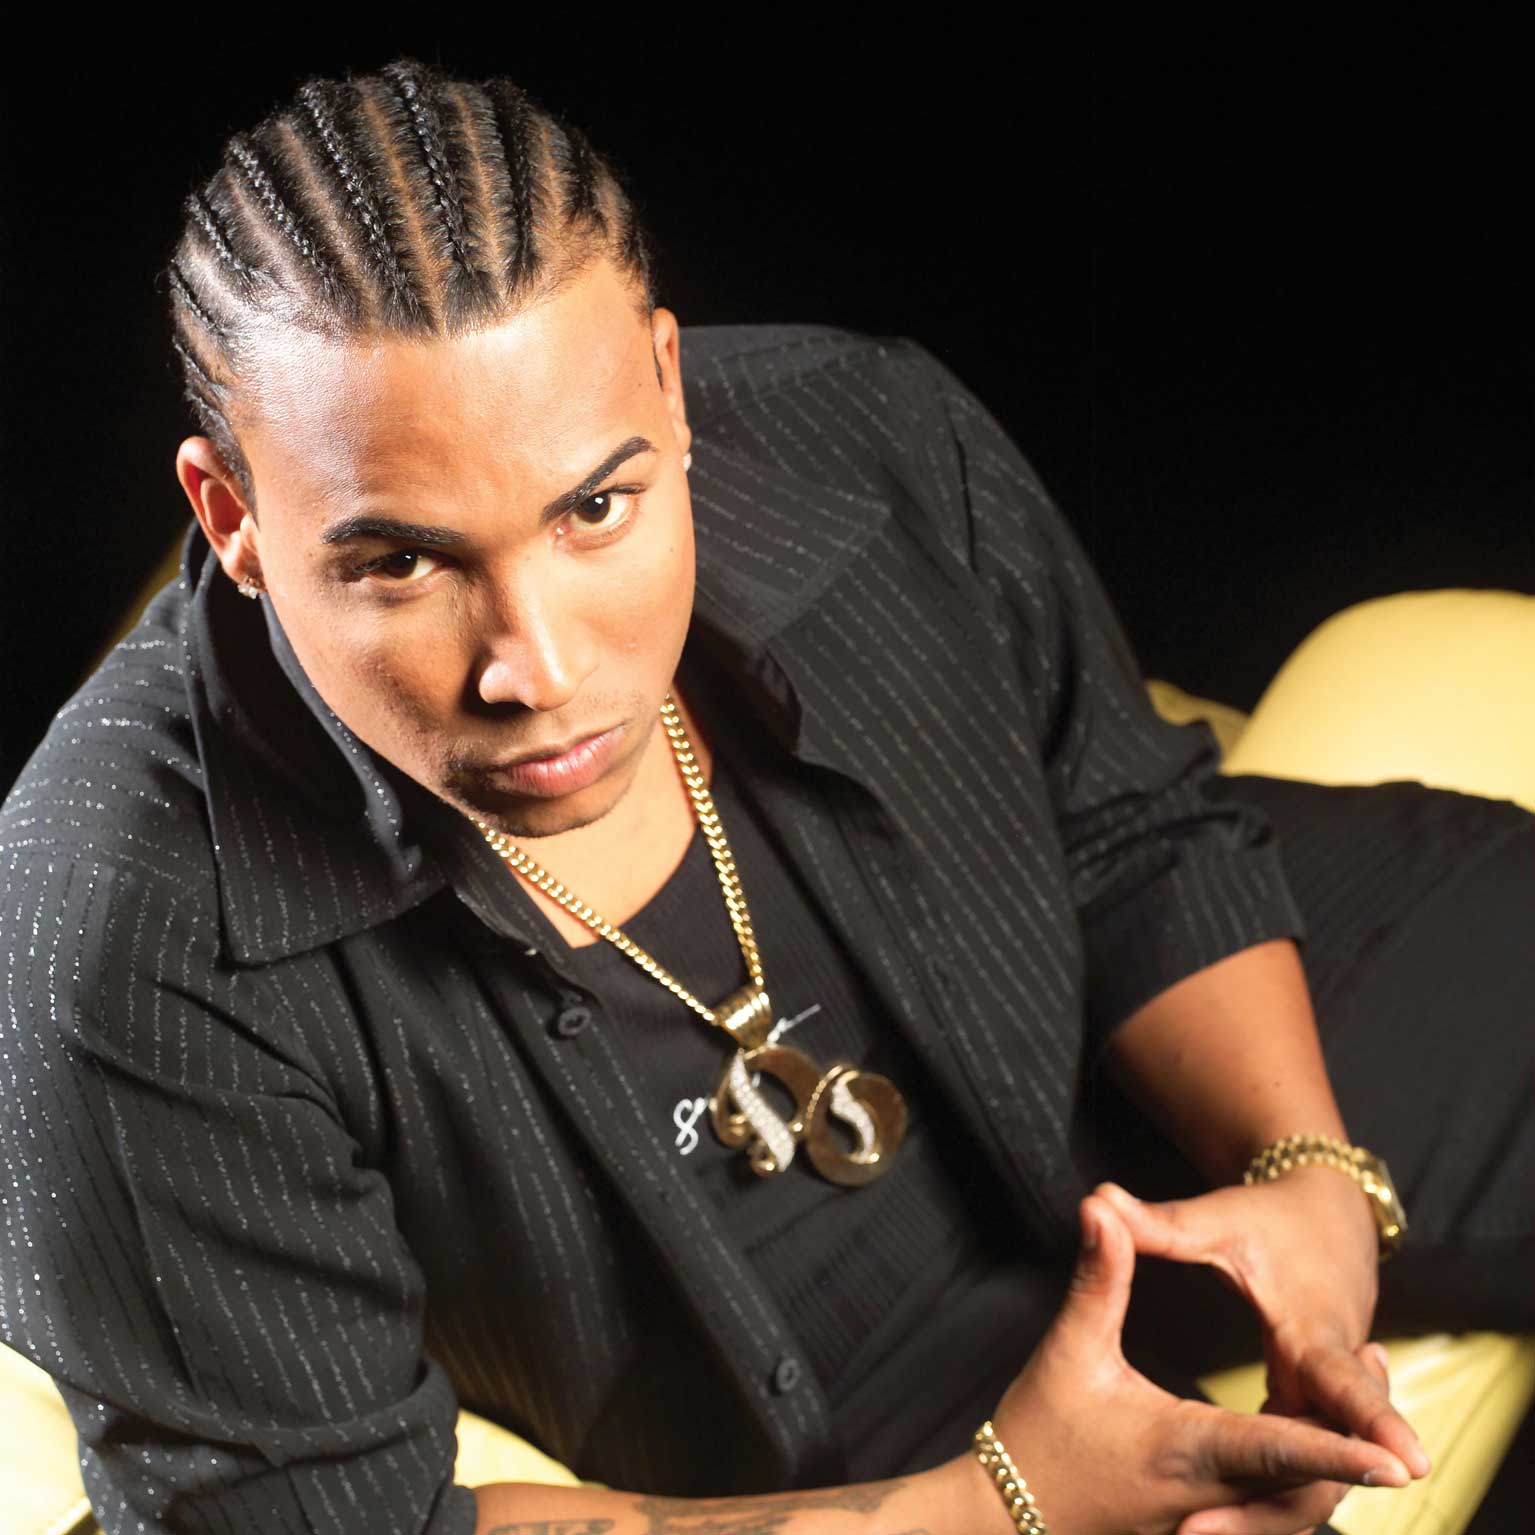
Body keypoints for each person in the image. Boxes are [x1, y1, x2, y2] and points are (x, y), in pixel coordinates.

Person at [0, 55, 1530, 1535]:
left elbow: (1131, 832)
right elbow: (323, 1519)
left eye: (599, 507)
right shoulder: (108, 939)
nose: (538, 668)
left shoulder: (861, 430)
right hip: (810, 1438)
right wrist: (1006, 1506)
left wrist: (1308, 1171)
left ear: (670, 387)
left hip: (1086, 1071)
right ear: (232, 515)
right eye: (401, 561)